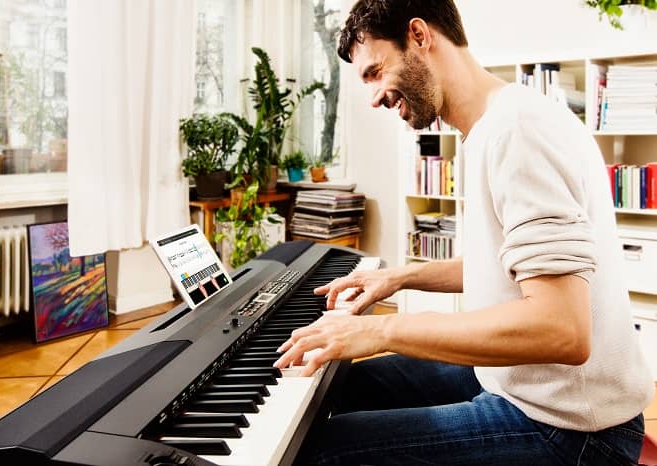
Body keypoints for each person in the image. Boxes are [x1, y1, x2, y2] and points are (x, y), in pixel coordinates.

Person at [273, 1, 654, 465]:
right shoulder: (497, 123)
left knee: (322, 451)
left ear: (419, 35)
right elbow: (506, 266)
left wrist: (383, 329)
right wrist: (396, 279)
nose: (373, 97)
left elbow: (563, 330)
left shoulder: (517, 131)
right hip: (520, 383)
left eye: (375, 72)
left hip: (574, 430)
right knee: (343, 383)